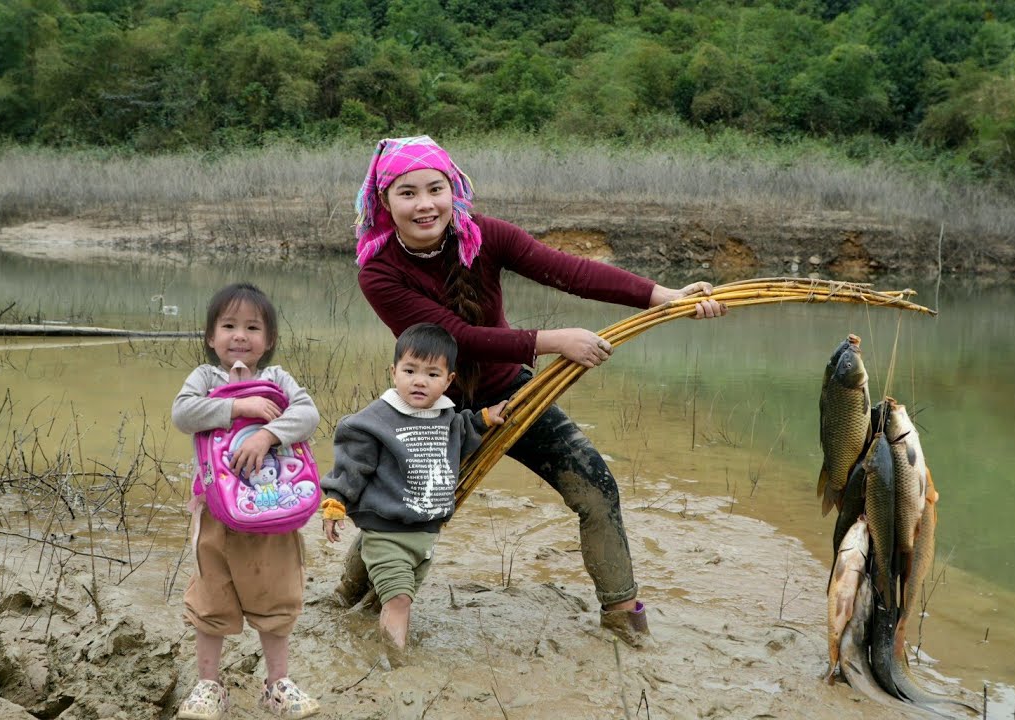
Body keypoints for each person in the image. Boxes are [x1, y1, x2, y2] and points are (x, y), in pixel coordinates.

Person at [351, 135, 727, 647]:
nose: (424, 205)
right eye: (407, 193)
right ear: (384, 202)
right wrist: (554, 341)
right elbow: (456, 340)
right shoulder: (378, 271)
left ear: (453, 189)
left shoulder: (486, 235)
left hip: (514, 397)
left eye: (435, 189)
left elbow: (569, 271)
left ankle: (623, 618)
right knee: (394, 512)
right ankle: (349, 602)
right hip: (430, 410)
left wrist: (663, 296)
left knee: (596, 490)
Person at [171, 282, 321, 720]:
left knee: (277, 596)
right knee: (211, 595)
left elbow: (308, 415)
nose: (240, 335)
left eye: (253, 327)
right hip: (216, 514)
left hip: (275, 510)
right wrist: (239, 408)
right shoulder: (205, 378)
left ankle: (277, 684)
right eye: (229, 325)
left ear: (269, 340)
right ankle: (208, 685)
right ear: (211, 337)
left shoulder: (278, 380)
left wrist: (267, 433)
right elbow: (182, 413)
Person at [319, 322, 508, 666]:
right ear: (394, 372)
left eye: (432, 374)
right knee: (400, 601)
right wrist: (335, 502)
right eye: (410, 370)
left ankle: (356, 619)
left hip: (425, 538)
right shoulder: (374, 421)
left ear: (449, 380)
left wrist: (484, 419)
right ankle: (396, 664)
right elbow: (352, 466)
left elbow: (464, 430)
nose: (419, 380)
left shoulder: (446, 416)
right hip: (387, 533)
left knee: (388, 601)